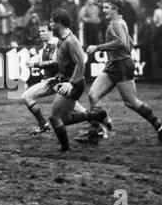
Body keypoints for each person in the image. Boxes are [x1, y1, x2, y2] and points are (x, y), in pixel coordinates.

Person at [86, 0, 162, 145]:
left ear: (115, 8)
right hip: (113, 65)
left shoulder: (118, 23)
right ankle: (96, 132)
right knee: (93, 95)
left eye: (107, 8)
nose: (104, 10)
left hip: (121, 66)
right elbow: (130, 43)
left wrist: (97, 47)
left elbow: (122, 43)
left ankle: (161, 127)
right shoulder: (119, 23)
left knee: (131, 102)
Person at [29, 9, 111, 152]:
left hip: (74, 84)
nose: (50, 25)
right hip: (67, 82)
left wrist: (71, 82)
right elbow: (60, 63)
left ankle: (65, 149)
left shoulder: (71, 41)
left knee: (54, 117)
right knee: (65, 119)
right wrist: (57, 78)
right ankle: (97, 115)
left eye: (52, 22)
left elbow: (81, 64)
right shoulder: (62, 40)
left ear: (59, 23)